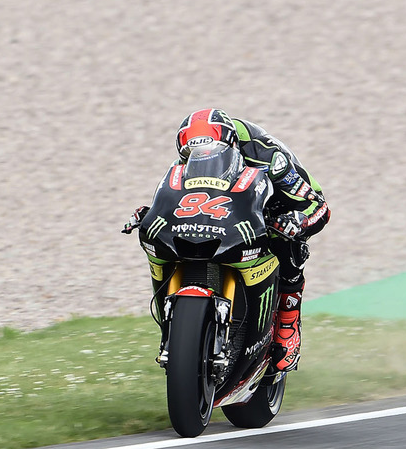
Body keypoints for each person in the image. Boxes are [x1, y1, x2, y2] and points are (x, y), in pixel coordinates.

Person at [123, 108, 330, 372]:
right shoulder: (185, 162)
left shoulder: (267, 156)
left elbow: (319, 208)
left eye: (213, 153)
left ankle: (288, 323)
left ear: (231, 144)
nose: (202, 160)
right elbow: (176, 194)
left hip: (284, 194)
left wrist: (298, 219)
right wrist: (150, 213)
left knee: (287, 239)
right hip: (223, 202)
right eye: (191, 156)